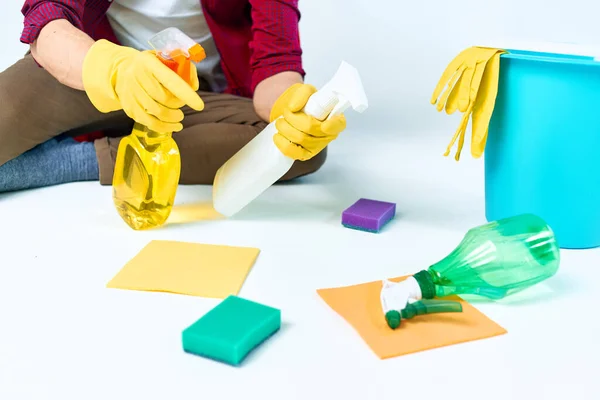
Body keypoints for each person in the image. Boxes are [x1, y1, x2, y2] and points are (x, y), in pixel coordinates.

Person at [0, 0, 347, 192]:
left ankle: (73, 162)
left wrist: (292, 109)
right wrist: (115, 71)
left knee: (294, 151)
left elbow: (276, 64)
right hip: (92, 77)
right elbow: (48, 23)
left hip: (189, 102)